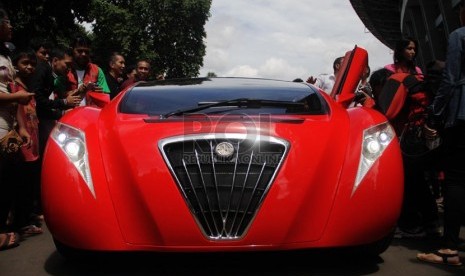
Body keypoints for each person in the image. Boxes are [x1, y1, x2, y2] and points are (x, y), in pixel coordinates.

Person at [417, 0, 465, 266]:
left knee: (456, 179)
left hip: (461, 116)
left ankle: (449, 249)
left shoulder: (460, 35)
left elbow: (449, 80)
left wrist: (433, 115)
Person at [0, 8, 33, 251]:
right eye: (7, 21)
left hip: (8, 123)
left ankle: (10, 224)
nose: (11, 26)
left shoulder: (6, 54)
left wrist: (21, 126)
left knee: (10, 178)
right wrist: (16, 96)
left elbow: (11, 90)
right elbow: (13, 93)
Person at [8, 49, 43, 236]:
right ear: (16, 67)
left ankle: (27, 218)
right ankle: (21, 224)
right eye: (24, 64)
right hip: (21, 142)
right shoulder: (13, 88)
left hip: (33, 141)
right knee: (21, 184)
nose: (29, 67)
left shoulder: (28, 88)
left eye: (32, 64)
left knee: (29, 183)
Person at [64, 35, 110, 106]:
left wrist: (100, 93)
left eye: (86, 51)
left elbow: (106, 98)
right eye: (79, 51)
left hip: (92, 114)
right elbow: (58, 96)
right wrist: (78, 91)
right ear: (72, 50)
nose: (83, 54)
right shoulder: (64, 70)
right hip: (70, 115)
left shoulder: (97, 70)